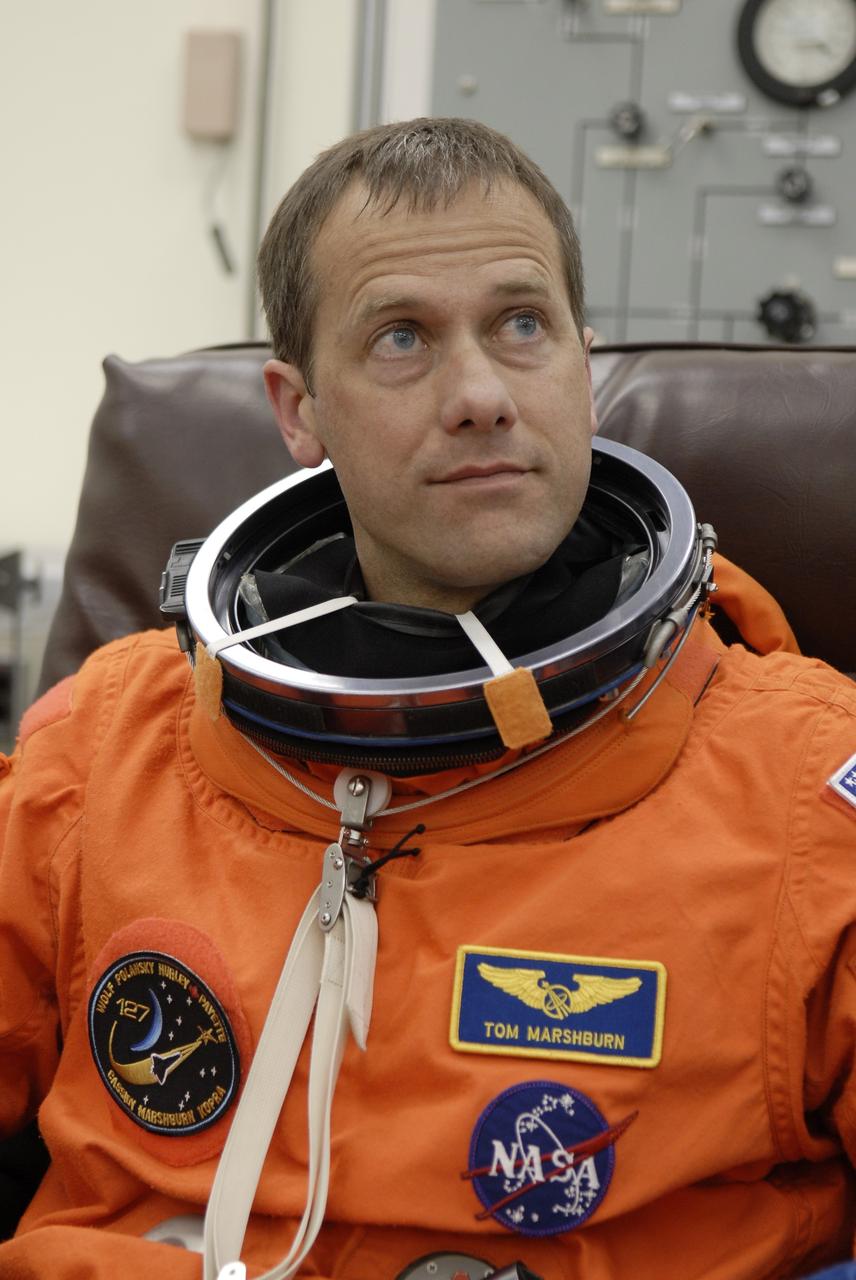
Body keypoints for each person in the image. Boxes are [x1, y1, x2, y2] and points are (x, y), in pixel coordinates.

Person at [1, 117, 854, 1280]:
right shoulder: (105, 754)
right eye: (401, 337)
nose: (480, 393)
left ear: (582, 365)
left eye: (521, 325)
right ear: (297, 409)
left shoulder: (805, 790)